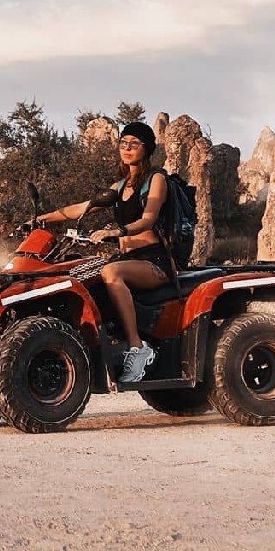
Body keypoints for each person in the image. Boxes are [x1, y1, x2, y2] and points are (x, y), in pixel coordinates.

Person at [36, 121, 173, 382]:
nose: (127, 148)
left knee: (111, 272)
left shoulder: (156, 180)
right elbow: (83, 207)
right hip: (127, 259)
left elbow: (148, 219)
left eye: (134, 144)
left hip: (153, 261)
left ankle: (138, 347)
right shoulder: (120, 186)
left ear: (146, 148)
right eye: (123, 143)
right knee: (79, 274)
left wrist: (117, 231)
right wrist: (43, 219)